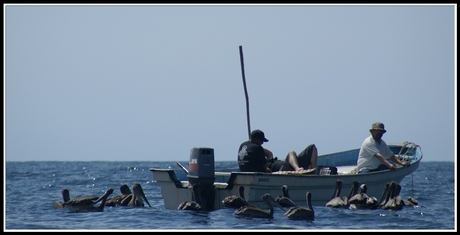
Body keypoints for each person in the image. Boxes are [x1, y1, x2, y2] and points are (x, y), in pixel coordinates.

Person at [237, 129, 318, 173]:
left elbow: (269, 153)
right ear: (255, 140)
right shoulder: (258, 148)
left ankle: (302, 168)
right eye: (261, 141)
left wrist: (269, 158)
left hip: (277, 165)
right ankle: (302, 169)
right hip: (284, 168)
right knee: (294, 152)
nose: (262, 143)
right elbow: (266, 169)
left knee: (308, 149)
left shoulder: (243, 146)